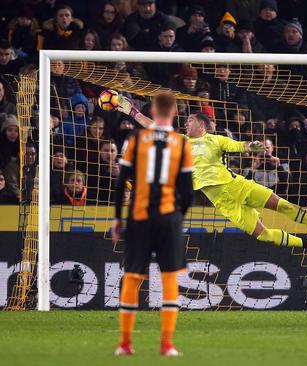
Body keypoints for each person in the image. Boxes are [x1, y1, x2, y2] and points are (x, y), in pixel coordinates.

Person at [118, 96, 307, 255]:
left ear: (202, 124)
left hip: (237, 186)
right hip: (222, 201)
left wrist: (253, 146)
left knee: (282, 205)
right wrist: (132, 111)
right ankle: (306, 242)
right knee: (262, 235)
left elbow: (240, 146)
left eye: (190, 120)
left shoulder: (215, 139)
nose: (186, 123)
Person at [111, 92, 195, 356]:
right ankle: (167, 345)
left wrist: (117, 217)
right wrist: (177, 215)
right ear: (173, 114)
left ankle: (125, 344)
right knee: (170, 277)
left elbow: (121, 178)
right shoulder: (181, 144)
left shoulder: (136, 139)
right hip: (168, 217)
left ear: (154, 111)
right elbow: (188, 190)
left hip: (139, 215)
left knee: (133, 275)